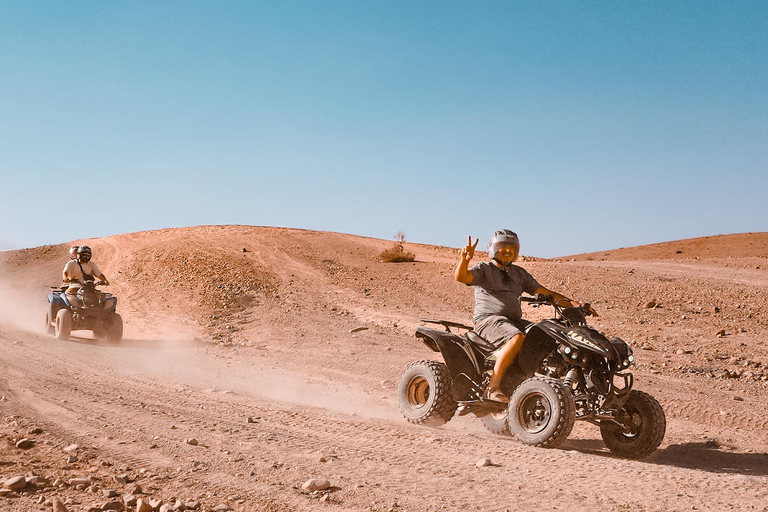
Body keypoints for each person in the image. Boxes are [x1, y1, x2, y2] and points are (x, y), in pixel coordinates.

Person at [455, 230, 596, 402]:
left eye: (511, 248)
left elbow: (547, 293)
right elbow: (462, 277)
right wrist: (464, 259)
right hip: (488, 320)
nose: (507, 251)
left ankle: (531, 382)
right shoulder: (484, 269)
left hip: (514, 321)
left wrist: (576, 305)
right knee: (516, 337)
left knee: (546, 334)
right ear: (493, 249)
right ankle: (492, 388)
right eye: (503, 247)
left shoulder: (519, 274)